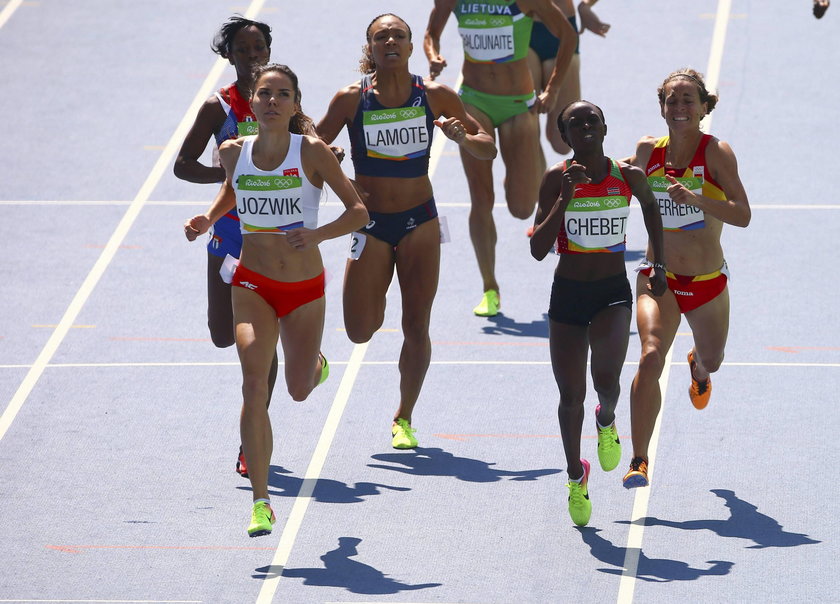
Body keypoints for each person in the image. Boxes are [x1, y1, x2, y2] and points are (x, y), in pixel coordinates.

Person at [184, 63, 369, 536]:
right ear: (253, 101)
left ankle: (315, 365)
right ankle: (261, 501)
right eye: (265, 94)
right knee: (252, 384)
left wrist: (318, 234)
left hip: (304, 290)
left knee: (299, 389)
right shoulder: (232, 151)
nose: (271, 101)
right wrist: (207, 219)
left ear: (294, 105)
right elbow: (234, 191)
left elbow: (358, 211)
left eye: (282, 95)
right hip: (252, 284)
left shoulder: (312, 151)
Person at [316, 14, 496, 449]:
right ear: (371, 49)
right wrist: (331, 156)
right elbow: (310, 153)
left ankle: (404, 416)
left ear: (412, 47)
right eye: (382, 37)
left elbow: (487, 146)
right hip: (371, 225)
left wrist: (462, 139)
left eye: (399, 35)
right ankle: (332, 341)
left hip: (421, 221)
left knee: (417, 324)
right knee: (360, 330)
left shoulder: (435, 95)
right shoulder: (350, 99)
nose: (391, 41)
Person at [530, 100, 666, 526]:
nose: (586, 126)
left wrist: (657, 263)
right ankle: (575, 475)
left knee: (606, 383)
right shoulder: (557, 178)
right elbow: (537, 249)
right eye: (575, 123)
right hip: (567, 296)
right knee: (570, 396)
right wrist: (565, 197)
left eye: (592, 120)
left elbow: (650, 207)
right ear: (564, 136)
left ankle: (606, 420)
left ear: (605, 127)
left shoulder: (628, 176)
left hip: (611, 293)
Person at [621, 69, 750, 489]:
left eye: (688, 100)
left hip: (707, 279)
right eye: (672, 101)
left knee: (713, 359)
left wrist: (697, 199)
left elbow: (743, 215)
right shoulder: (647, 151)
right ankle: (638, 459)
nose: (679, 108)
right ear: (662, 107)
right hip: (658, 276)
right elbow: (619, 183)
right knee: (650, 353)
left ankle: (698, 368)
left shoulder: (716, 153)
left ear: (704, 107)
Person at [173, 16, 278, 479]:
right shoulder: (218, 108)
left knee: (258, 351)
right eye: (243, 49)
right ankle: (301, 354)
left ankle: (249, 443)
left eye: (259, 49)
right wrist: (230, 176)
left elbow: (312, 145)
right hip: (228, 234)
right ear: (229, 56)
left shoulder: (284, 99)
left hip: (274, 238)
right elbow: (181, 165)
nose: (252, 56)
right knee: (221, 334)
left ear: (268, 54)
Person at [424, 0, 577, 317]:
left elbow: (568, 35)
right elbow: (430, 33)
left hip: (518, 103)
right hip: (472, 101)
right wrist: (433, 55)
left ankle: (526, 154)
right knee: (481, 198)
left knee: (522, 209)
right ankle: (489, 287)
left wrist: (552, 88)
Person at [527, 0, 610, 158]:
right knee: (526, 134)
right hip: (523, 25)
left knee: (563, 140)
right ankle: (530, 180)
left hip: (563, 25)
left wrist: (585, 5)